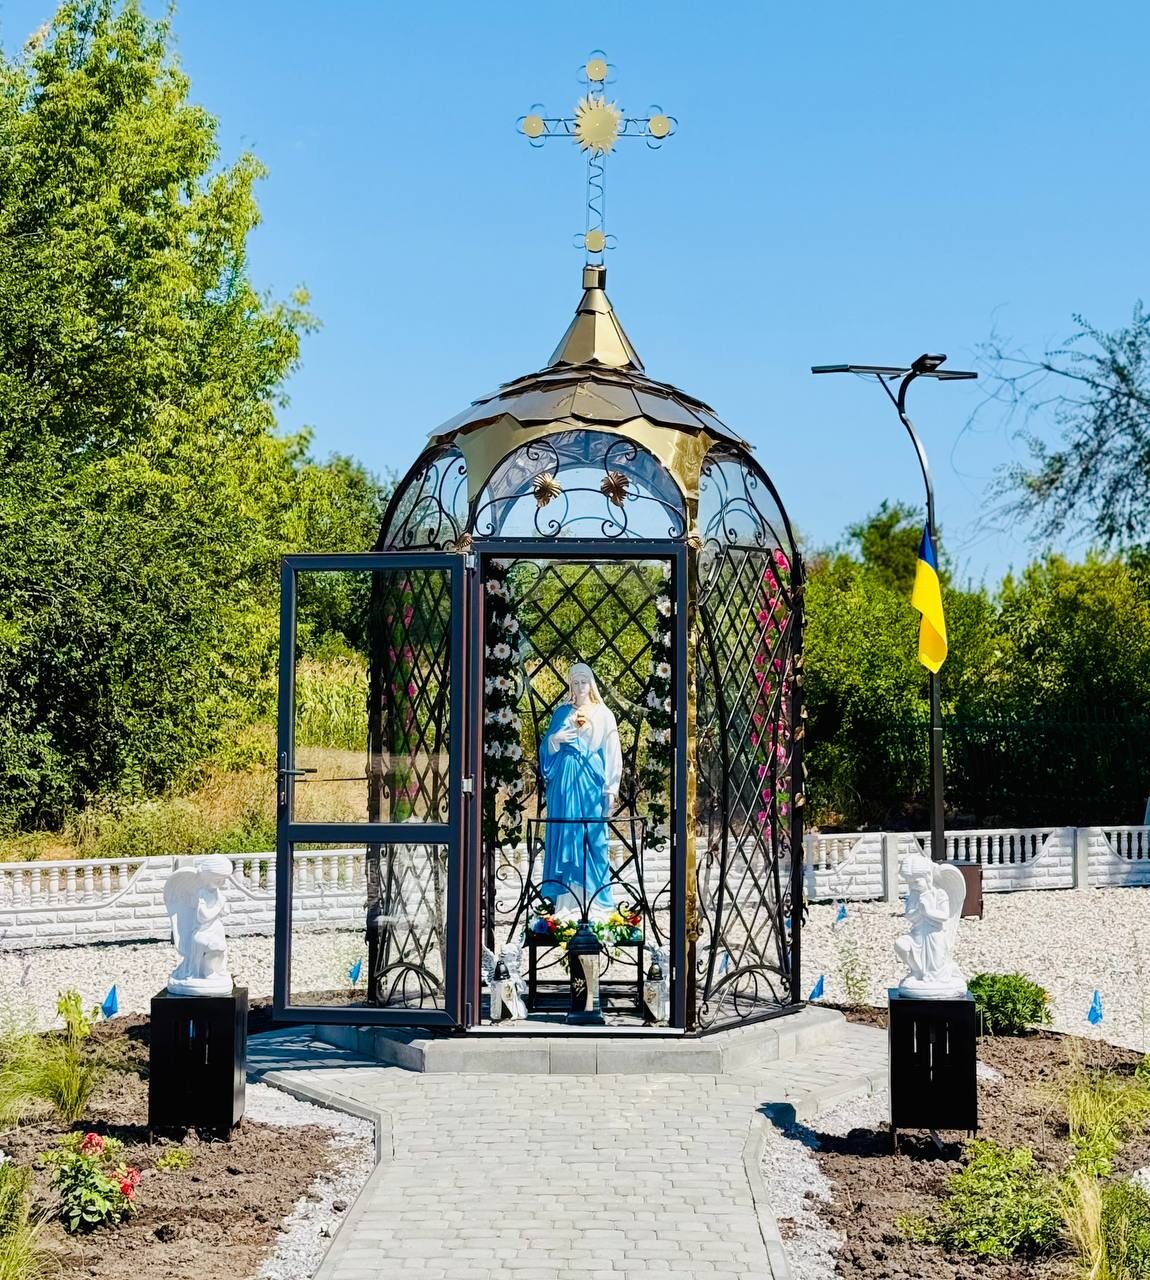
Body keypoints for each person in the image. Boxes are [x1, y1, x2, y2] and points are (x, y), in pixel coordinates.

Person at [539, 662, 622, 918]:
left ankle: (597, 904)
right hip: (564, 783)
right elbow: (546, 750)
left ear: (591, 684)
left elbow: (612, 752)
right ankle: (566, 904)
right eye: (574, 682)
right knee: (566, 834)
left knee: (593, 838)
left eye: (583, 681)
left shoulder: (603, 714)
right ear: (570, 686)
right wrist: (554, 740)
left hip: (590, 782)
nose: (579, 686)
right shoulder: (561, 713)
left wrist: (611, 788)